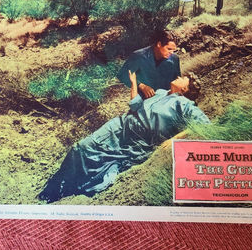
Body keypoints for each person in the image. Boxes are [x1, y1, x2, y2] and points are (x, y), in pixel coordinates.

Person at [38, 71, 210, 203]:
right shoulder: (160, 92)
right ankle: (54, 187)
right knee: (80, 147)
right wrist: (134, 83)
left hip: (137, 143)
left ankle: (68, 190)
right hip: (120, 125)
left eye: (183, 79)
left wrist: (174, 140)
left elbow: (205, 125)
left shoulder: (185, 104)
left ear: (185, 89)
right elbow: (136, 105)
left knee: (100, 168)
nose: (179, 77)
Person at [117, 30, 181, 99]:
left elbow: (177, 79)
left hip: (167, 100)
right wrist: (141, 86)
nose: (171, 52)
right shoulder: (139, 56)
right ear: (159, 44)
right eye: (169, 49)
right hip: (145, 101)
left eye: (174, 50)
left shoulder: (175, 59)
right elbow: (122, 74)